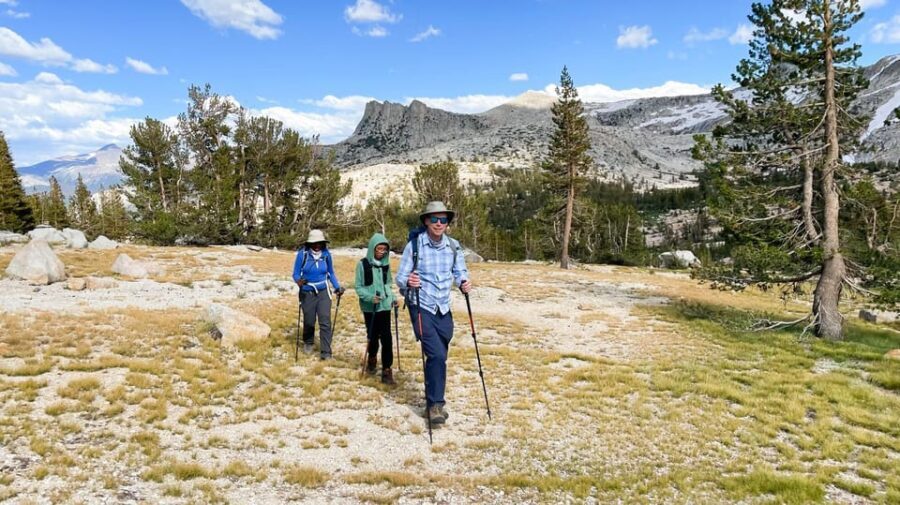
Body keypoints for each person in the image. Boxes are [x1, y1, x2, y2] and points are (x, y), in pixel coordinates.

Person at [395, 201, 472, 424]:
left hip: (443, 307)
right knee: (436, 354)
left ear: (448, 223)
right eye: (434, 219)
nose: (439, 223)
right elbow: (400, 278)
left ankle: (434, 399)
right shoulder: (415, 246)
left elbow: (460, 272)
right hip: (421, 305)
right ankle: (435, 405)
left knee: (440, 356)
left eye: (443, 219)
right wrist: (409, 281)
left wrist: (464, 282)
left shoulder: (454, 246)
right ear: (426, 221)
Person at [292, 229, 343, 360]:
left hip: (323, 291)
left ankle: (326, 352)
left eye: (319, 243)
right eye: (314, 243)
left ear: (323, 243)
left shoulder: (326, 255)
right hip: (307, 291)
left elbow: (331, 273)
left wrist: (337, 287)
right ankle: (308, 341)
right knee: (309, 320)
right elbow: (296, 273)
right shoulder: (302, 254)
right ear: (309, 243)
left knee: (325, 321)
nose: (317, 245)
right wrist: (298, 281)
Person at [354, 233, 398, 385]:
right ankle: (372, 359)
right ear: (372, 248)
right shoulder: (362, 264)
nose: (381, 252)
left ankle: (387, 370)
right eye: (379, 248)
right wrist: (369, 297)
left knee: (387, 338)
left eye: (384, 249)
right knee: (372, 337)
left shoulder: (386, 265)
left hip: (384, 306)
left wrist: (393, 298)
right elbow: (358, 287)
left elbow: (388, 284)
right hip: (370, 307)